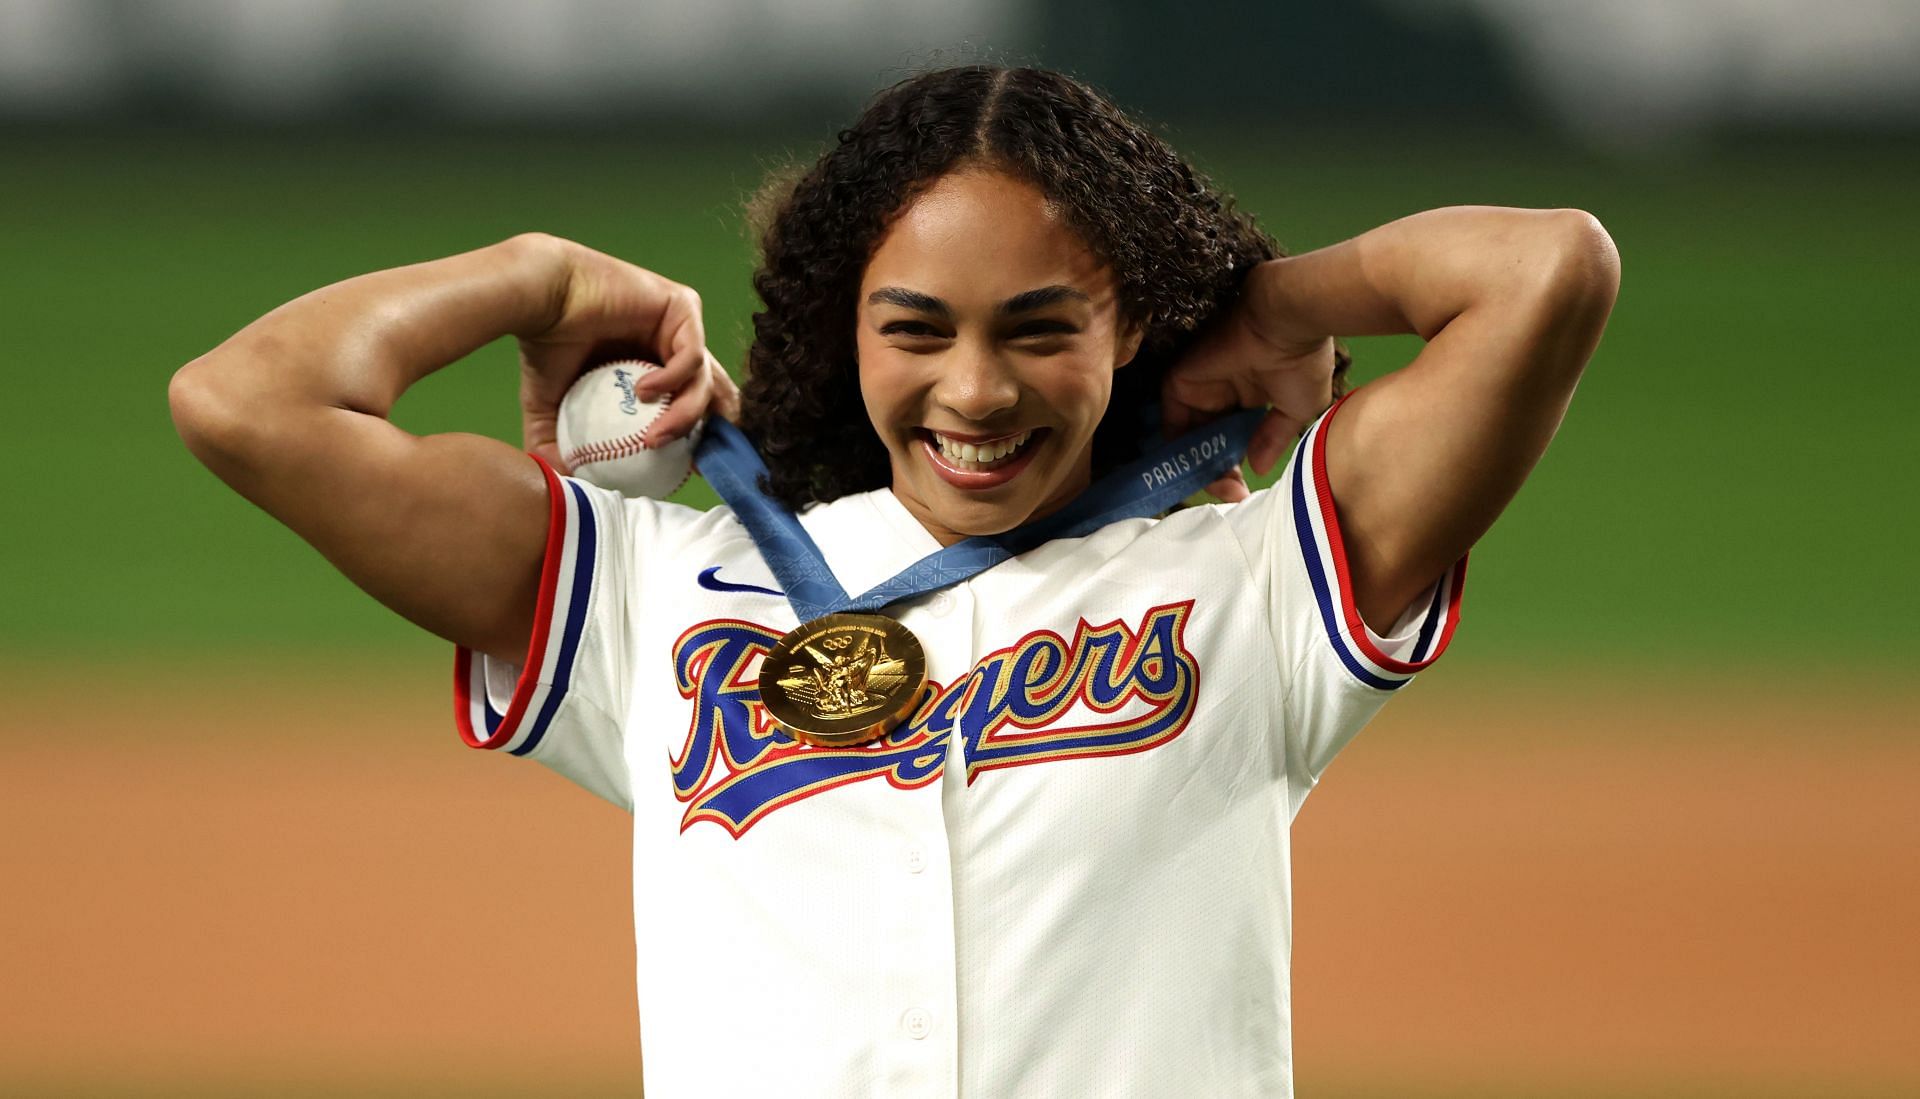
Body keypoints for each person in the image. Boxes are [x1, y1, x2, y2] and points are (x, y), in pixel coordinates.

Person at [170, 65, 1618, 1098]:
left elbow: (1547, 271)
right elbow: (246, 404)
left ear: (1129, 338)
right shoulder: (655, 594)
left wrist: (1265, 301)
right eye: (915, 328)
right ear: (840, 328)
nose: (975, 391)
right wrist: (540, 280)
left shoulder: (1252, 584)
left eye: (1043, 328)